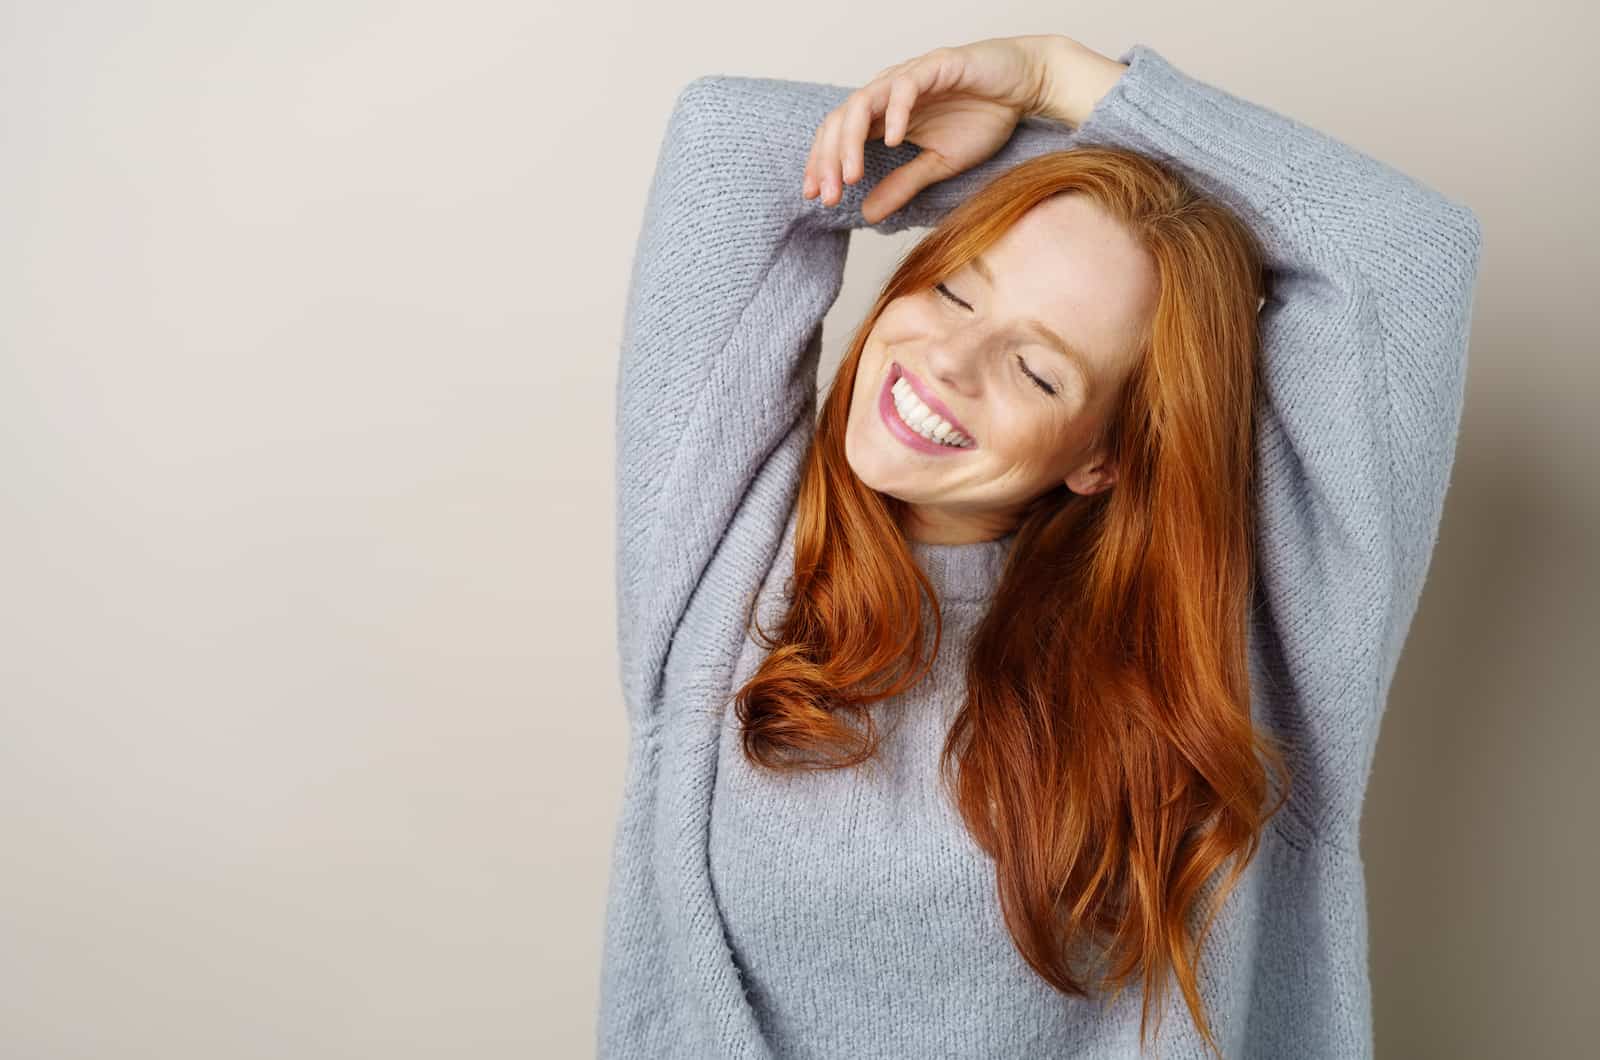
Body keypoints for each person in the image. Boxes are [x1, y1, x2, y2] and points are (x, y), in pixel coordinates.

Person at [599, 34, 1483, 1059]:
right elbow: (729, 148)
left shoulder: (1227, 649)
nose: (947, 360)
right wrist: (1046, 171)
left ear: (1102, 456)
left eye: (1037, 370)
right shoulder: (728, 547)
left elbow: (1405, 251)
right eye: (956, 288)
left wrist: (1058, 77)